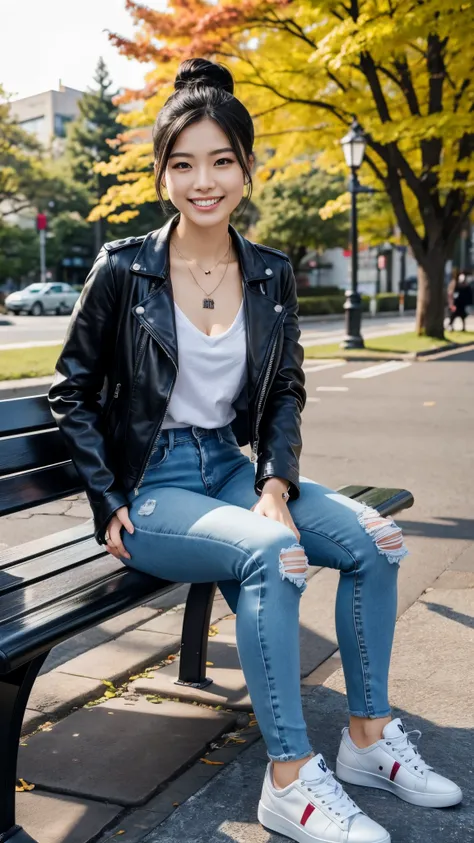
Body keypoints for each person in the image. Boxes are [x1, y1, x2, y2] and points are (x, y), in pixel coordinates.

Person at [49, 58, 462, 843]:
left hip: (233, 472)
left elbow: (284, 391)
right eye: (183, 164)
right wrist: (108, 498)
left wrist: (275, 478)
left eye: (221, 161)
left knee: (377, 540)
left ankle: (369, 742)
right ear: (163, 171)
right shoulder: (124, 269)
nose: (203, 180)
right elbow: (70, 390)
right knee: (274, 554)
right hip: (155, 486)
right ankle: (289, 781)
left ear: (245, 167)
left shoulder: (270, 274)